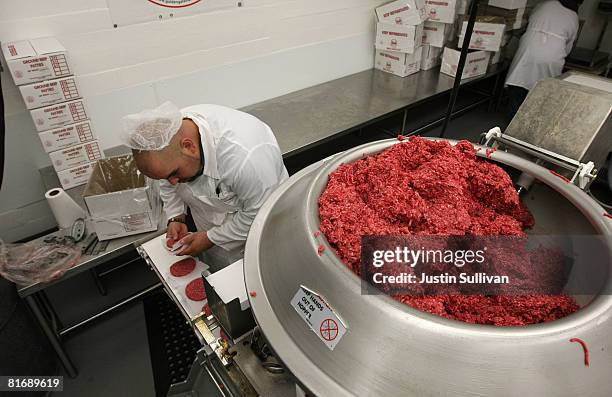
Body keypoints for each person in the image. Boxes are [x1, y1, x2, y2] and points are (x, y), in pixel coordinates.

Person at [121, 102, 288, 268]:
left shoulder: (247, 159)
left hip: (259, 231)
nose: (172, 182)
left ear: (189, 147)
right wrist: (176, 215)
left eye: (174, 174)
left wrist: (211, 238)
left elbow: (258, 216)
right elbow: (166, 179)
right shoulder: (169, 138)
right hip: (208, 229)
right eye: (166, 177)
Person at [505, 0, 581, 118]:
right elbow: (568, 47)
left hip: (529, 49)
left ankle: (510, 126)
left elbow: (528, 22)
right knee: (541, 95)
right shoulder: (574, 16)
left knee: (518, 88)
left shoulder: (544, 5)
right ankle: (525, 127)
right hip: (552, 56)